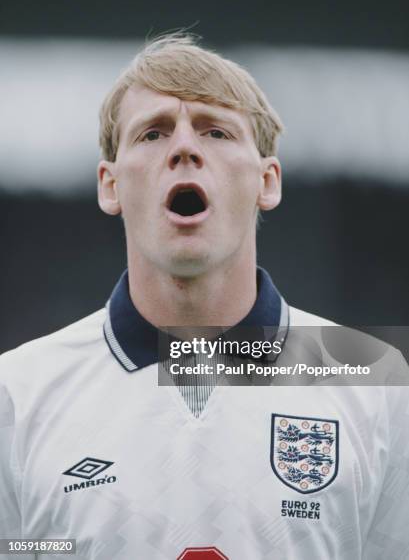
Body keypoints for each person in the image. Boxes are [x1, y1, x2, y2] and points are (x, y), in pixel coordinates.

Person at [0, 34, 408, 560]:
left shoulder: (376, 381)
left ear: (267, 180)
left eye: (217, 131)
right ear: (110, 186)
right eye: (152, 133)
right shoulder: (18, 392)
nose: (185, 148)